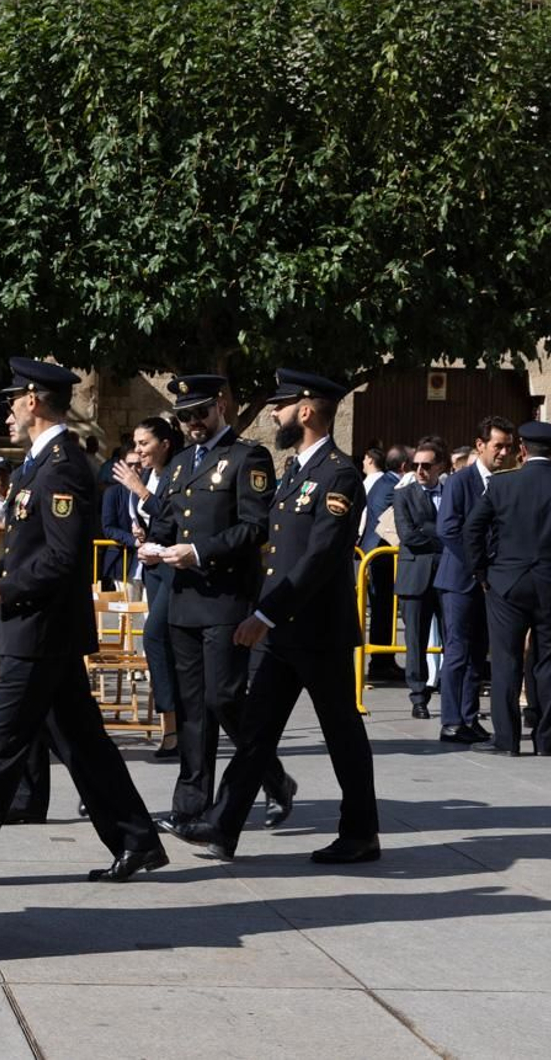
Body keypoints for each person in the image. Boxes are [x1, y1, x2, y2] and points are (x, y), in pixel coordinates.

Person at [0, 358, 166, 888]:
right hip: (41, 631)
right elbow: (32, 544)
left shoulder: (60, 466)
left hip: (39, 632)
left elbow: (63, 559)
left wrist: (5, 587)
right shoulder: (40, 464)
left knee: (2, 746)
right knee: (84, 745)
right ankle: (136, 840)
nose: (8, 412)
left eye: (12, 400)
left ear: (33, 400)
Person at [167, 369, 379, 864]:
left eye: (281, 405)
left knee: (343, 734)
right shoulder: (297, 469)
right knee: (257, 732)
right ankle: (222, 827)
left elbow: (320, 557)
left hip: (317, 631)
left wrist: (264, 612)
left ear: (306, 410)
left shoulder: (338, 473)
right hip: (281, 631)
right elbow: (276, 550)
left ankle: (361, 832)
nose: (275, 414)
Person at [144, 374, 294, 835]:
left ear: (222, 405)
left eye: (200, 412)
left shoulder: (248, 456)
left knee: (224, 698)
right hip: (185, 599)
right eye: (185, 416)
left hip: (225, 596)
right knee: (192, 706)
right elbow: (168, 520)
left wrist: (200, 552)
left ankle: (271, 777)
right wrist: (151, 544)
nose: (192, 423)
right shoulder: (182, 462)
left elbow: (254, 526)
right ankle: (190, 804)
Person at [463, 422, 551, 756]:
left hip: (507, 583)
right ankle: (547, 740)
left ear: (523, 449)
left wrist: (482, 570)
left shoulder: (502, 485)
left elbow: (472, 530)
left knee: (506, 661)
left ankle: (507, 740)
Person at [434, 417, 517, 744]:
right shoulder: (461, 481)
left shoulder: (506, 482)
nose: (503, 453)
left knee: (478, 652)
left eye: (508, 447)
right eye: (498, 446)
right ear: (480, 445)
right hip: (460, 579)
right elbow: (448, 529)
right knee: (457, 650)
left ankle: (469, 717)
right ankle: (451, 720)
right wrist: (478, 565)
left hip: (491, 581)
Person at [114, 416, 184, 757]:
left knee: (155, 638)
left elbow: (178, 517)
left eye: (144, 443)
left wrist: (141, 492)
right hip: (152, 569)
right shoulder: (146, 475)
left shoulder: (176, 473)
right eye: (136, 444)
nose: (138, 450)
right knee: (164, 645)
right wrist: (141, 536)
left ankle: (177, 726)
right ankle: (171, 727)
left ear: (165, 444)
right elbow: (148, 519)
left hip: (176, 570)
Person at [393, 439, 448, 720]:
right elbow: (408, 536)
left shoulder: (451, 491)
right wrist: (444, 534)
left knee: (454, 639)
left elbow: (460, 528)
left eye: (427, 465)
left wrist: (429, 530)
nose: (420, 471)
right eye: (416, 466)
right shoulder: (403, 494)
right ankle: (418, 697)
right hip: (415, 576)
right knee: (415, 640)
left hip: (448, 576)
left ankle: (451, 693)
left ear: (440, 466)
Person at [362, 447, 403, 679]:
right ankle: (381, 664)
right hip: (382, 557)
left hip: (379, 556)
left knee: (383, 610)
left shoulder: (382, 482)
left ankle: (384, 661)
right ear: (404, 467)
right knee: (383, 610)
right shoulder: (391, 486)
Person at [98, 447, 138, 590]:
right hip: (123, 560)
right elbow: (108, 528)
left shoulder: (152, 491)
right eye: (130, 465)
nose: (134, 469)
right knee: (128, 610)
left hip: (151, 564)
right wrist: (134, 541)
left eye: (138, 465)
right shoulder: (113, 493)